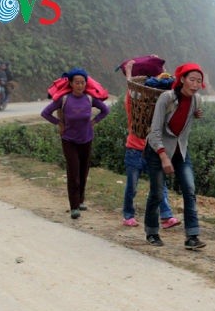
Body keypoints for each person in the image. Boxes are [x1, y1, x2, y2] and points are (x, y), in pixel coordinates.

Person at [144, 62, 206, 249]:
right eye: (192, 80)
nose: (195, 84)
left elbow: (187, 118)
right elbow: (154, 132)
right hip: (158, 150)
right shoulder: (166, 98)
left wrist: (195, 115)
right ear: (182, 80)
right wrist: (164, 157)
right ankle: (152, 232)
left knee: (190, 190)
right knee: (156, 192)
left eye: (199, 81)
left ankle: (192, 236)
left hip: (181, 151)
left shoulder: (197, 100)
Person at [41, 68, 110, 219]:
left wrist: (94, 121)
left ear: (86, 83)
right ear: (71, 83)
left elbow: (105, 110)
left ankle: (80, 200)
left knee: (83, 171)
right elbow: (45, 113)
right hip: (69, 140)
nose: (80, 85)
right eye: (77, 82)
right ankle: (74, 207)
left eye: (82, 82)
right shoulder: (64, 99)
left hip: (86, 139)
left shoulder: (90, 99)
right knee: (73, 172)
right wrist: (59, 123)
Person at [121, 58, 180, 229]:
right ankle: (128, 215)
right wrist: (130, 72)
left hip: (153, 151)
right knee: (132, 186)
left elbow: (171, 86)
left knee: (160, 185)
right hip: (134, 149)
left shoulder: (159, 107)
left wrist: (163, 69)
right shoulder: (135, 106)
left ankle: (166, 216)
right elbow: (132, 89)